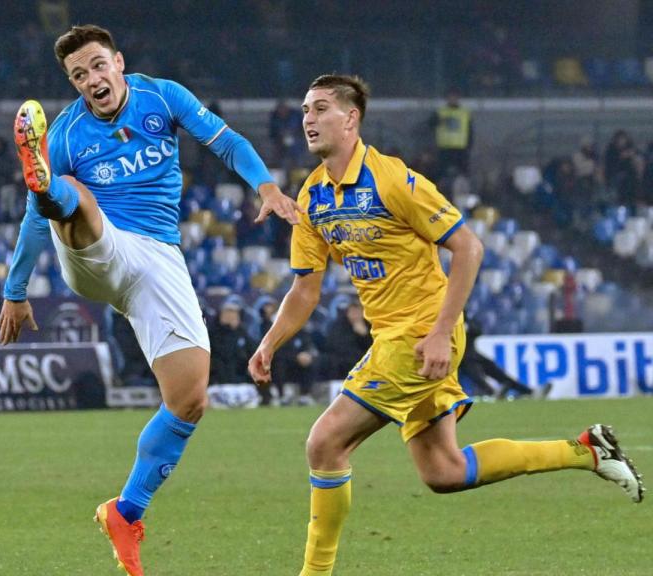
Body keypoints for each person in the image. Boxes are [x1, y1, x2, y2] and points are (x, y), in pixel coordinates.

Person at [248, 75, 645, 576]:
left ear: (350, 119)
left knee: (325, 443)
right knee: (444, 471)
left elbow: (468, 247)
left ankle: (315, 573)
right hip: (395, 337)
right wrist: (270, 342)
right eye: (305, 108)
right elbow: (306, 288)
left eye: (321, 108)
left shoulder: (392, 179)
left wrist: (439, 331)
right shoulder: (314, 197)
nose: (307, 118)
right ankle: (585, 451)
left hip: (419, 337)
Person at [0, 24, 299, 575]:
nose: (91, 80)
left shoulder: (162, 96)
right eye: (78, 75)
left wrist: (266, 186)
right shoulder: (65, 133)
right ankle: (47, 184)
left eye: (96, 66)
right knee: (73, 199)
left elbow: (227, 141)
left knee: (189, 398)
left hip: (160, 260)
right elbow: (32, 223)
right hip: (99, 248)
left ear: (118, 61)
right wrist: (16, 290)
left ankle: (125, 511)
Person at [320, 301, 372, 381]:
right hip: (341, 359)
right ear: (347, 313)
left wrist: (364, 335)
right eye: (352, 312)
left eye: (357, 312)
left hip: (362, 359)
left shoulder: (369, 325)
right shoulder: (338, 325)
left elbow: (372, 347)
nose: (355, 315)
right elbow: (332, 344)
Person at [430, 88, 472, 177]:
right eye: (450, 97)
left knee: (463, 173)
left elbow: (470, 131)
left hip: (460, 149)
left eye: (454, 97)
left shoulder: (464, 113)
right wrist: (439, 121)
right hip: (444, 148)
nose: (452, 99)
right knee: (440, 173)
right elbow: (431, 125)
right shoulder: (440, 112)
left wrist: (469, 147)